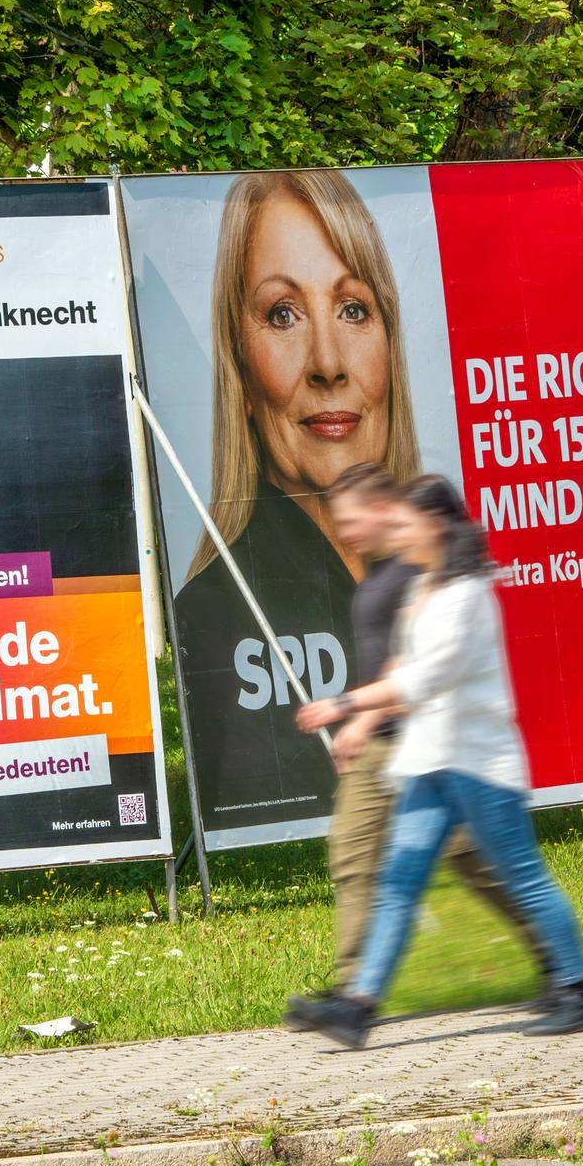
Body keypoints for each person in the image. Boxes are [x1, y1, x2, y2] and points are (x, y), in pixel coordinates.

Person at [294, 475, 583, 1046]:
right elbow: (404, 665)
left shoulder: (468, 595)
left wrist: (343, 703)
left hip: (478, 765)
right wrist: (360, 719)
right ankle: (357, 1008)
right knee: (398, 882)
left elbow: (427, 677)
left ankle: (576, 990)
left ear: (434, 525)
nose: (397, 532)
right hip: (428, 763)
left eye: (406, 523)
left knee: (523, 878)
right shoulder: (424, 587)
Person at [173, 169, 419, 836]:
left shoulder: (448, 569)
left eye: (353, 309)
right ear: (241, 368)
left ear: (390, 346)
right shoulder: (215, 614)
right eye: (282, 314)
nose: (327, 363)